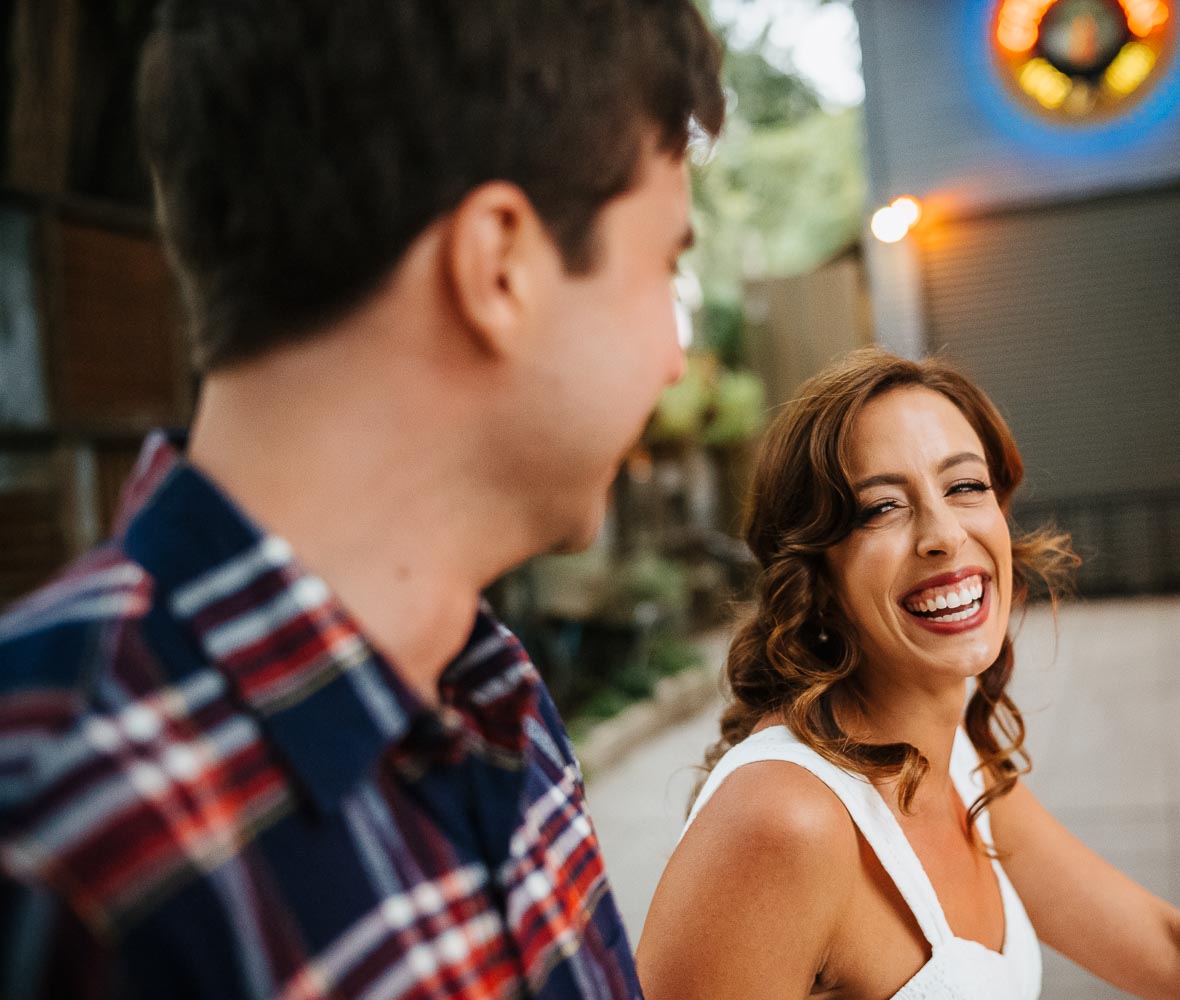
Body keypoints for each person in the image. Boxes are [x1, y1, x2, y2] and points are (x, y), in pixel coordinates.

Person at [0, 2, 723, 998]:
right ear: (499, 264)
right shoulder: (53, 818)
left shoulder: (497, 697)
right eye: (665, 267)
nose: (675, 360)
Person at [636, 348, 1180, 999]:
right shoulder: (785, 821)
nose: (943, 535)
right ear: (813, 574)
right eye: (883, 508)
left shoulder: (955, 762)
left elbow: (1167, 951)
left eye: (965, 486)